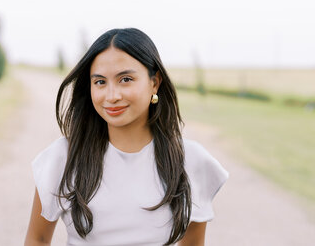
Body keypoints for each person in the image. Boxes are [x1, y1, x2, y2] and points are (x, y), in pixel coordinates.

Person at [24, 28, 229, 246]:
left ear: (154, 82)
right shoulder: (63, 157)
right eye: (100, 82)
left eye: (125, 79)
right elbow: (37, 239)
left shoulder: (192, 160)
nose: (112, 96)